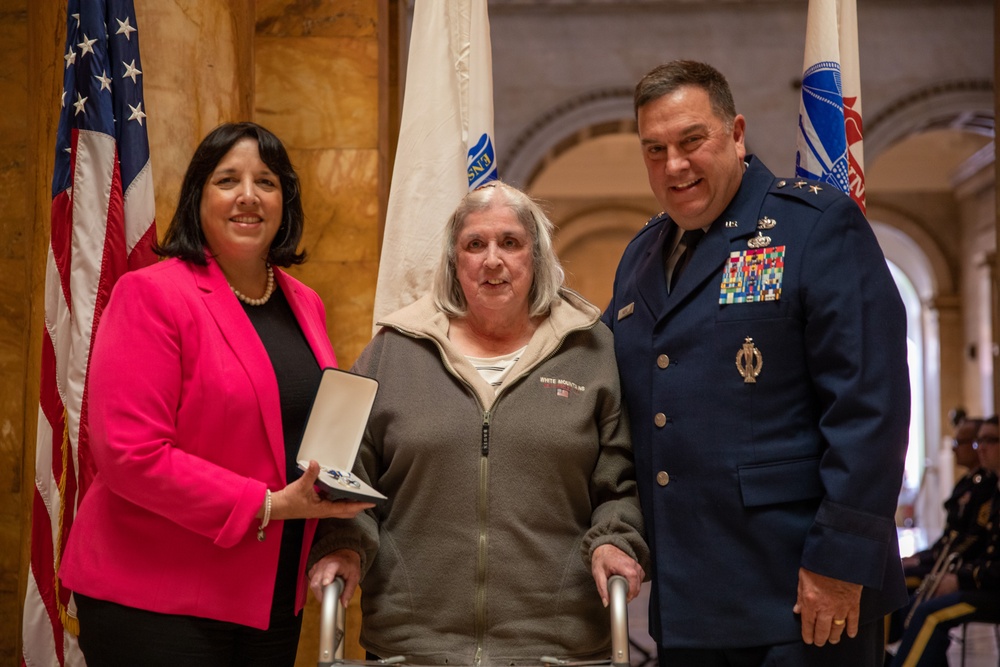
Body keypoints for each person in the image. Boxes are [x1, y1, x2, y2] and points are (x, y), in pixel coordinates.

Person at [602, 60, 911, 666]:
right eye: (655, 149)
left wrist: (839, 561)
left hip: (801, 598)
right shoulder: (642, 255)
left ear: (736, 133)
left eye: (692, 141)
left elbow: (869, 407)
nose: (674, 166)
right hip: (690, 604)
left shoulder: (814, 228)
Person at [58, 122, 374, 666]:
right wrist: (268, 505)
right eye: (228, 180)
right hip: (157, 599)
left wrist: (337, 519)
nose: (248, 196)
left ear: (285, 201)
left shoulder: (305, 302)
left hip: (271, 600)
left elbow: (297, 438)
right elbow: (130, 455)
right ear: (198, 197)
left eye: (266, 181)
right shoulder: (152, 295)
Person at [308, 181, 649, 665]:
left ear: (536, 257)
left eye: (510, 242)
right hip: (415, 646)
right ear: (454, 262)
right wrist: (345, 547)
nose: (493, 260)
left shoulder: (591, 350)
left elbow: (621, 482)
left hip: (556, 646)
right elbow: (349, 480)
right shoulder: (393, 350)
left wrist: (617, 541)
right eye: (475, 245)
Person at [890, 416, 1000, 667]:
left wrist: (960, 576)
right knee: (906, 595)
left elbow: (974, 545)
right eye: (978, 441)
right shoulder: (985, 487)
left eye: (989, 440)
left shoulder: (987, 489)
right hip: (982, 579)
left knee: (929, 614)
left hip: (988, 586)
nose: (980, 448)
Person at [901, 417, 995, 586]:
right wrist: (922, 557)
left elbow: (973, 539)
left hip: (966, 569)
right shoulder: (965, 484)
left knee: (902, 588)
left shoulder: (986, 487)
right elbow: (949, 536)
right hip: (955, 564)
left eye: (959, 442)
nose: (953, 448)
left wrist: (929, 561)